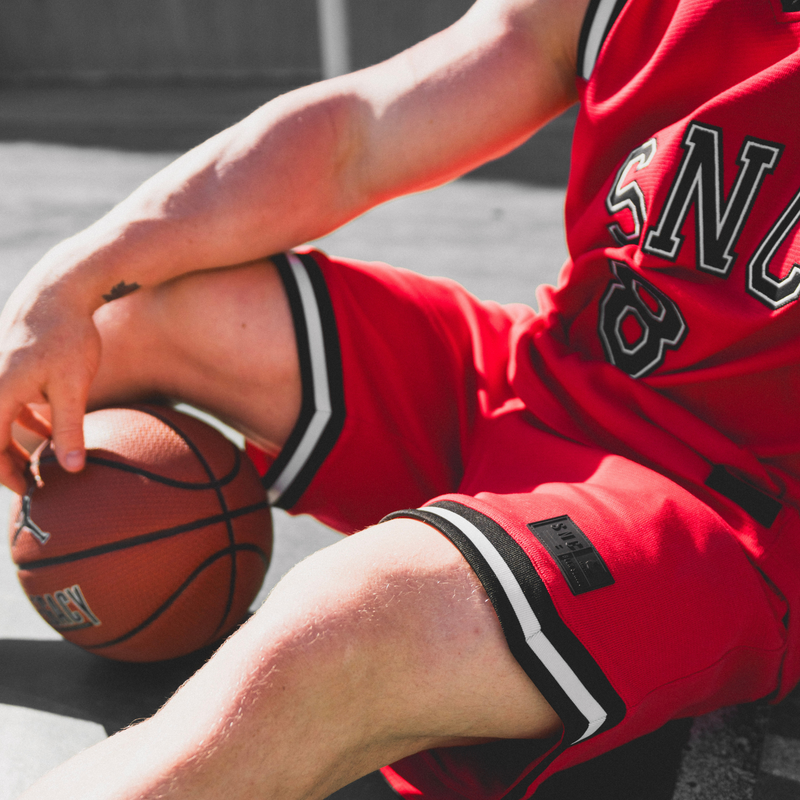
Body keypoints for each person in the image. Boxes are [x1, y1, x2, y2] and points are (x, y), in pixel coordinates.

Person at [4, 0, 800, 797]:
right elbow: (358, 134)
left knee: (348, 627)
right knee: (119, 309)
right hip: (535, 379)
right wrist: (68, 279)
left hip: (717, 507)